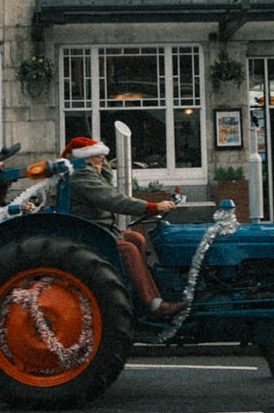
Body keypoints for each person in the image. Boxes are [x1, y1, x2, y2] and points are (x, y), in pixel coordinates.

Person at [60, 136, 185, 317]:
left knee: (137, 238)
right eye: (100, 157)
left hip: (99, 228)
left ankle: (136, 290)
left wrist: (102, 166)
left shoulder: (89, 171)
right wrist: (152, 207)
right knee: (128, 250)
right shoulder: (81, 174)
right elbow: (111, 199)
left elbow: (107, 187)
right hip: (89, 231)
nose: (103, 161)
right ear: (86, 157)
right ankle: (155, 303)